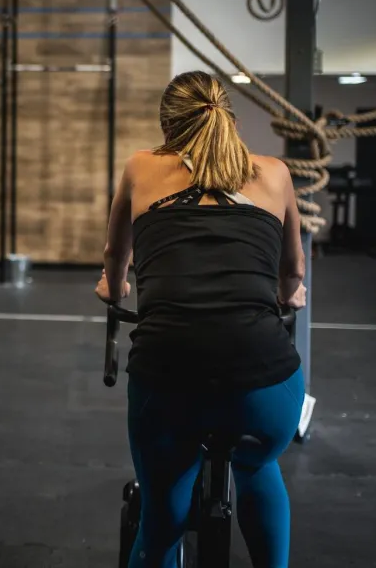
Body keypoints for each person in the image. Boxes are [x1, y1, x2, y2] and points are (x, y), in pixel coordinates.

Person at [95, 70, 307, 568]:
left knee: (163, 505)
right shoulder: (274, 172)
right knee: (258, 464)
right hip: (265, 383)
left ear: (167, 127)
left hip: (169, 378)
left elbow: (114, 256)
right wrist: (287, 295)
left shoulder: (140, 168)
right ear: (228, 118)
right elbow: (293, 271)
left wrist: (114, 285)